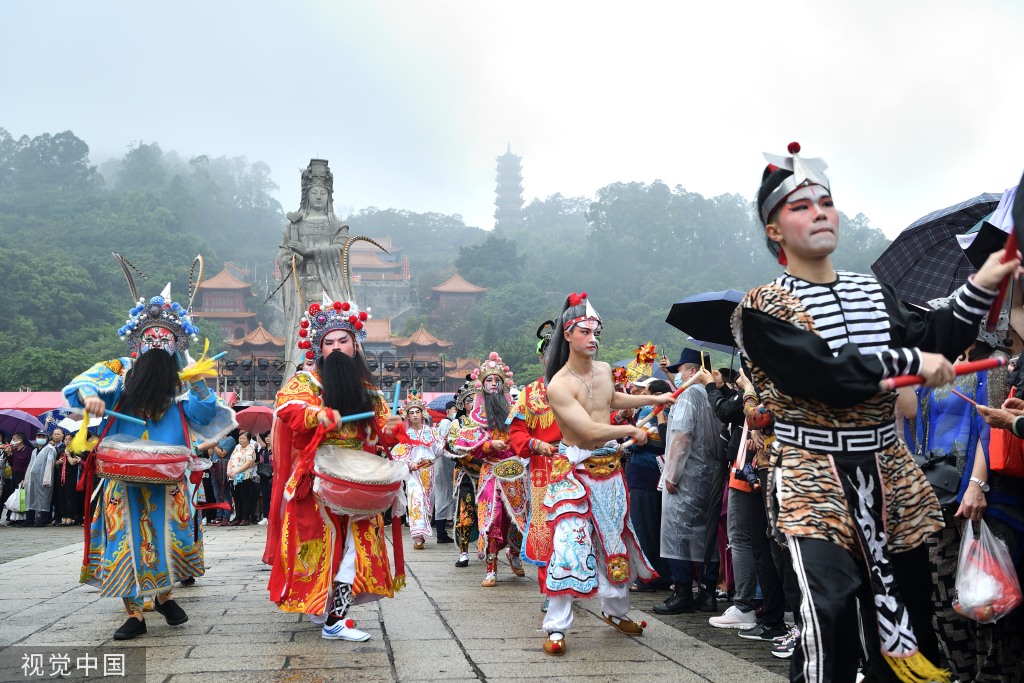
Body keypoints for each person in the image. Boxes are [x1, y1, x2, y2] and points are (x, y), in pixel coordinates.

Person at [733, 142, 1021, 683]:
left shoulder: (874, 292)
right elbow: (826, 374)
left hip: (889, 472)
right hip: (814, 473)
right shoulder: (760, 309)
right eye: (800, 206)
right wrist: (913, 359)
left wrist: (984, 281)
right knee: (831, 612)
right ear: (774, 229)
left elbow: (931, 335)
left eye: (826, 201)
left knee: (907, 619)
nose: (819, 211)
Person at [64, 277, 235, 641]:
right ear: (138, 342)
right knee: (124, 540)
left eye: (164, 339)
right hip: (122, 475)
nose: (157, 344)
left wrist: (200, 382)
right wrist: (91, 396)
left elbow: (206, 415)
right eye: (150, 338)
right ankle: (135, 613)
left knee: (167, 537)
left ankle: (164, 596)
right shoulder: (121, 370)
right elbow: (83, 384)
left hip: (167, 474)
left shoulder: (182, 379)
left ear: (175, 344)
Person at [540, 292, 674, 656]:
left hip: (610, 473)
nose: (593, 337)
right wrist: (630, 432)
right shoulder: (558, 384)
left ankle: (616, 611)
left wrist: (653, 400)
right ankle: (556, 626)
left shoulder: (601, 371)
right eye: (585, 330)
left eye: (596, 330)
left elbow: (610, 401)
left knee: (614, 541)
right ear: (568, 334)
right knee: (570, 545)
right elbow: (587, 430)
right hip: (575, 473)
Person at [267, 295, 403, 642]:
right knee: (324, 546)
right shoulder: (306, 384)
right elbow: (288, 408)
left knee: (354, 550)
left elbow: (384, 426)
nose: (337, 347)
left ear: (355, 345)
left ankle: (335, 616)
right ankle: (328, 611)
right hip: (317, 477)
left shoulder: (368, 391)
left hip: (360, 479)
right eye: (329, 342)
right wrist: (317, 415)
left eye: (344, 340)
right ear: (318, 348)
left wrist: (390, 428)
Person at [898, 327, 1024, 681]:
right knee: (943, 600)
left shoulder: (994, 364)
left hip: (980, 496)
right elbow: (912, 418)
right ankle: (961, 673)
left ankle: (991, 675)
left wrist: (977, 484)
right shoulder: (939, 367)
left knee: (987, 597)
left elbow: (993, 425)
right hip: (936, 493)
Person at [449, 352, 528, 587]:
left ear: (504, 384)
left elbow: (524, 436)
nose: (493, 385)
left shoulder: (515, 410)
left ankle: (513, 555)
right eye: (489, 381)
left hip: (514, 471)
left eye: (497, 381)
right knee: (491, 519)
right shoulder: (475, 417)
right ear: (482, 385)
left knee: (517, 519)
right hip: (491, 471)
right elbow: (468, 446)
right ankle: (491, 567)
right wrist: (488, 445)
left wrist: (515, 444)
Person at [653, 349, 722, 616]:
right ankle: (707, 593)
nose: (678, 375)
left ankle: (682, 591)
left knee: (677, 534)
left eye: (681, 370)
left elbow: (682, 436)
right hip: (710, 474)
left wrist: (671, 473)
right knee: (705, 535)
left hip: (687, 474)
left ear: (692, 371)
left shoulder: (689, 395)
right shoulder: (712, 393)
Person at [507, 320, 563, 608]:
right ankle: (549, 588)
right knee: (545, 529)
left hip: (577, 467)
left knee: (576, 528)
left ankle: (574, 582)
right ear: (542, 357)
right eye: (549, 354)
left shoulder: (585, 388)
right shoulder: (530, 394)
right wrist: (533, 443)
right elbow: (515, 431)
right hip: (543, 469)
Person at [625, 378, 673, 592]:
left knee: (644, 528)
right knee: (656, 527)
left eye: (644, 390)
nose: (640, 392)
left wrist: (628, 434)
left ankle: (647, 577)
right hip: (658, 474)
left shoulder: (648, 412)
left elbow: (638, 443)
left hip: (644, 474)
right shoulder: (670, 413)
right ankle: (662, 574)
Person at [392, 389, 442, 549]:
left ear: (422, 414)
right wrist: (409, 464)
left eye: (417, 412)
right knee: (416, 498)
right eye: (411, 412)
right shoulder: (406, 435)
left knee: (428, 502)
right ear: (407, 416)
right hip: (414, 474)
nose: (414, 415)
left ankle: (422, 530)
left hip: (428, 471)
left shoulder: (432, 432)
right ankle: (417, 535)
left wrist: (431, 458)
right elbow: (399, 455)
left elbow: (439, 451)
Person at [446, 379, 484, 568]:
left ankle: (487, 548)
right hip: (466, 474)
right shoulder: (458, 424)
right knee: (465, 512)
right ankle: (463, 552)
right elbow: (451, 445)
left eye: (476, 400)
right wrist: (465, 456)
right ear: (463, 404)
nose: (473, 403)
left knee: (487, 512)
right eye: (469, 400)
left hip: (486, 473)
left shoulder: (486, 422)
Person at [431, 401, 458, 544]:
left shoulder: (450, 423)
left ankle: (442, 531)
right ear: (448, 411)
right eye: (454, 409)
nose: (456, 411)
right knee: (443, 495)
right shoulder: (445, 423)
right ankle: (441, 532)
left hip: (447, 463)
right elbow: (443, 443)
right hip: (443, 462)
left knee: (446, 495)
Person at [24, 431, 56, 527]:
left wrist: (47, 479)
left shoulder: (50, 449)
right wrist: (26, 478)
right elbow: (30, 466)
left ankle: (43, 520)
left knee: (43, 498)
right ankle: (29, 519)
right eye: (39, 436)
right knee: (31, 497)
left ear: (47, 438)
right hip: (32, 479)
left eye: (43, 436)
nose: (40, 438)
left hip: (43, 478)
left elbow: (49, 464)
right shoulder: (34, 451)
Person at [226, 431, 257, 527]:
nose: (241, 440)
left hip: (244, 477)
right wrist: (228, 471)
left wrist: (237, 471)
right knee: (236, 497)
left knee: (245, 497)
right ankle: (237, 517)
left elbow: (248, 463)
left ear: (248, 440)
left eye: (243, 438)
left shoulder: (250, 449)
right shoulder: (237, 447)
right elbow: (231, 460)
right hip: (233, 477)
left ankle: (245, 518)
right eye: (240, 438)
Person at [4, 432, 32, 526]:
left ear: (19, 440)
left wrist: (24, 478)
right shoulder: (15, 450)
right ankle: (13, 518)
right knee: (14, 497)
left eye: (13, 439)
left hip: (23, 476)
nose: (12, 441)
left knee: (22, 498)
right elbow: (12, 464)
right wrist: (9, 454)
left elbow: (28, 465)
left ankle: (22, 518)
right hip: (14, 475)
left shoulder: (28, 450)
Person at [210, 433, 236, 525]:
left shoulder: (230, 440)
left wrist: (213, 445)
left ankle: (226, 516)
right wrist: (211, 444)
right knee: (217, 494)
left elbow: (222, 454)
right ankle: (219, 516)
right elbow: (210, 453)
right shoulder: (217, 439)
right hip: (214, 467)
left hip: (223, 467)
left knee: (224, 493)